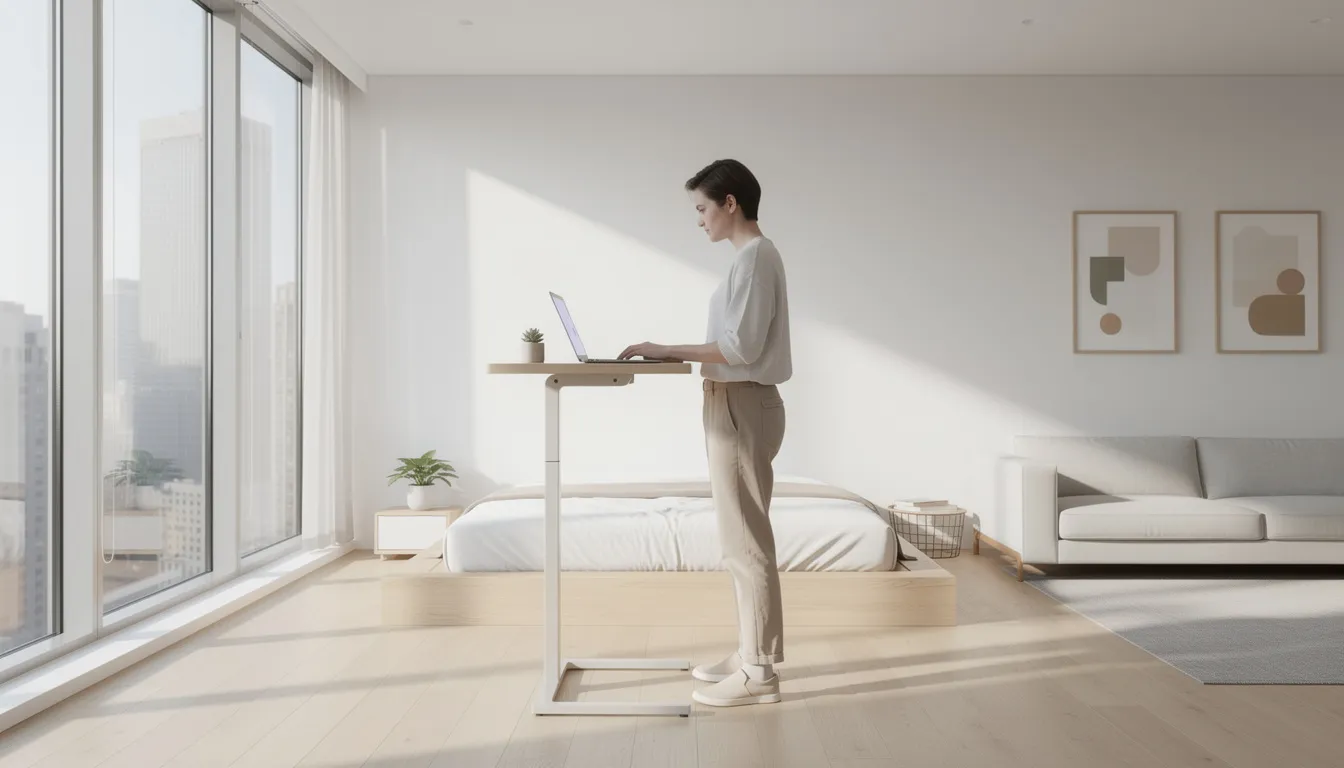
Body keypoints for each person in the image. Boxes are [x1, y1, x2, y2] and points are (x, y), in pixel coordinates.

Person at [619, 159, 791, 707]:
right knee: (736, 538)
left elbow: (740, 349)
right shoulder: (748, 260)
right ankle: (750, 652)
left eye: (701, 208)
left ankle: (761, 674)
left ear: (730, 202)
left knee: (746, 540)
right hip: (730, 403)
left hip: (742, 405)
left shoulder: (757, 258)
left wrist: (666, 348)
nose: (699, 221)